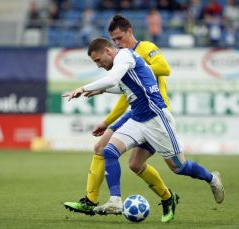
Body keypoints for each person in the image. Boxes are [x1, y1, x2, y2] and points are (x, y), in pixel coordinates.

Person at [64, 37, 224, 215]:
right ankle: (115, 201)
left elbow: (112, 79)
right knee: (109, 151)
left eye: (98, 60)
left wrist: (83, 88)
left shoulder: (124, 56)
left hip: (156, 119)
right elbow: (125, 86)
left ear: (108, 51)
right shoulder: (122, 62)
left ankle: (212, 178)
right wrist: (101, 90)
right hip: (138, 119)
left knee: (179, 167)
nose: (98, 65)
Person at [65, 15, 179, 223]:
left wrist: (135, 69)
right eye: (113, 40)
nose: (116, 42)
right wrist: (107, 121)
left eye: (118, 38)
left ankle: (168, 197)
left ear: (129, 31)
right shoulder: (119, 59)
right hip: (135, 110)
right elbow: (125, 95)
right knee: (102, 148)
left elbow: (165, 69)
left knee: (138, 165)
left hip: (155, 111)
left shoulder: (142, 49)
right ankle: (92, 200)